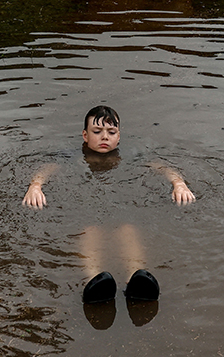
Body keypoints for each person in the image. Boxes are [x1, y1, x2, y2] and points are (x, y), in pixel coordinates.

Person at [22, 105, 195, 305]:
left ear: (119, 136)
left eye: (111, 132)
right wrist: (35, 185)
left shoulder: (132, 153)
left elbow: (161, 166)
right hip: (86, 204)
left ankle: (136, 279)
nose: (105, 137)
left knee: (127, 229)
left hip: (120, 203)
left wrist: (178, 183)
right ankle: (93, 280)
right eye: (97, 132)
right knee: (90, 230)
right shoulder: (73, 155)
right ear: (85, 135)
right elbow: (48, 167)